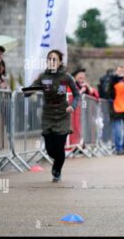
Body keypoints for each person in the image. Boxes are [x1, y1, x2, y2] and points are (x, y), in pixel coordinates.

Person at [25, 50, 80, 182]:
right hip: (48, 114)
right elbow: (29, 91)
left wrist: (72, 106)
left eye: (55, 59)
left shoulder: (66, 77)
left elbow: (77, 94)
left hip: (63, 113)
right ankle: (56, 161)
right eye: (49, 59)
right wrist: (27, 90)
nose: (52, 61)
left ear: (60, 62)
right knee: (50, 149)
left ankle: (57, 170)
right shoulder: (43, 76)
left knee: (59, 147)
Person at [107, 66, 124, 155]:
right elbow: (109, 94)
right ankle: (118, 148)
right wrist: (113, 81)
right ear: (116, 72)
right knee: (117, 129)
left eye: (122, 71)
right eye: (118, 71)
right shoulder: (112, 81)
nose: (120, 72)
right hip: (117, 108)